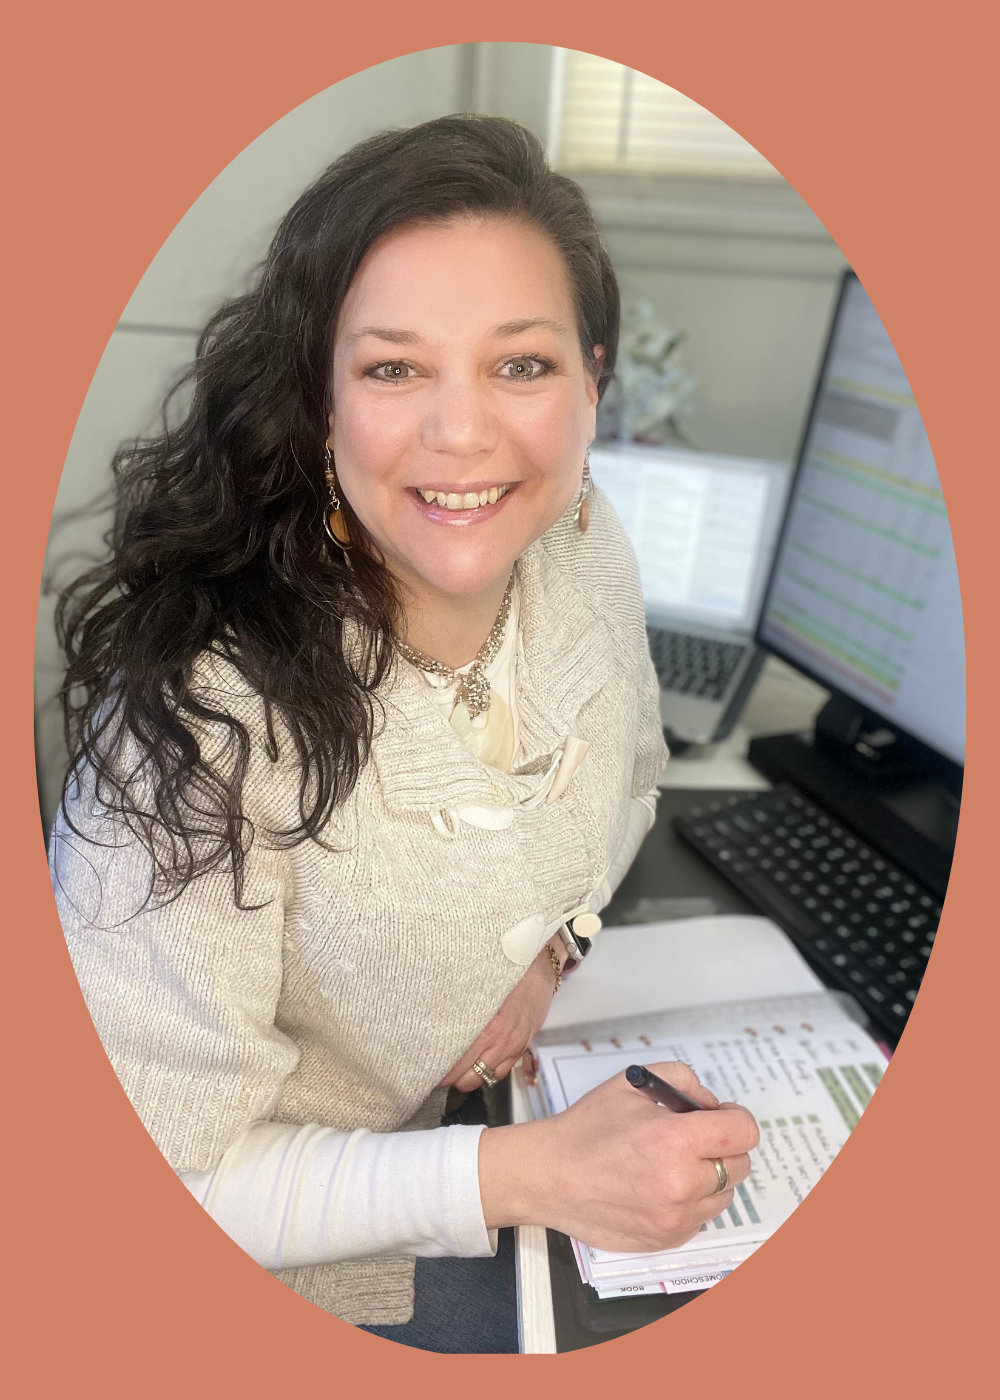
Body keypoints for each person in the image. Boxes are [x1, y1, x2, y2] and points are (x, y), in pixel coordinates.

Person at [51, 115, 759, 1354]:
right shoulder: (196, 725)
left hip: (476, 1116)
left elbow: (633, 778)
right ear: (317, 398)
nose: (463, 431)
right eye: (392, 369)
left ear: (594, 379)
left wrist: (556, 942)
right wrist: (528, 1175)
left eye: (521, 365)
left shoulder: (584, 554)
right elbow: (145, 1176)